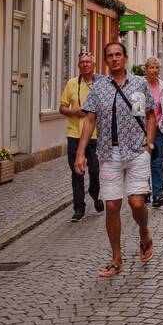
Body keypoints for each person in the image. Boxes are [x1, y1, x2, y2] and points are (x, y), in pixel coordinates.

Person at [75, 41, 157, 277]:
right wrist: (81, 153)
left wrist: (149, 144)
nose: (114, 59)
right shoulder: (99, 88)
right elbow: (90, 120)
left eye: (118, 54)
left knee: (136, 203)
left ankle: (144, 232)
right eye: (109, 55)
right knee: (112, 206)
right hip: (108, 154)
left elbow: (149, 116)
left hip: (136, 151)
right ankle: (116, 259)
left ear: (126, 58)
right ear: (106, 60)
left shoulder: (139, 84)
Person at [59, 52, 101, 221]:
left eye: (87, 62)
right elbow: (62, 107)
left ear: (94, 65)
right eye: (82, 63)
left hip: (96, 135)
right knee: (77, 172)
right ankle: (79, 208)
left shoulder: (102, 83)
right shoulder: (71, 84)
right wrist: (74, 111)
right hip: (75, 134)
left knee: (96, 171)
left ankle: (94, 192)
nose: (84, 65)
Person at [144, 57, 163, 208]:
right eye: (151, 68)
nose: (153, 71)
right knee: (143, 160)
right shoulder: (140, 85)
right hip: (142, 129)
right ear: (145, 69)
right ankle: (144, 190)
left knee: (157, 161)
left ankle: (157, 194)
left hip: (159, 128)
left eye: (156, 68)